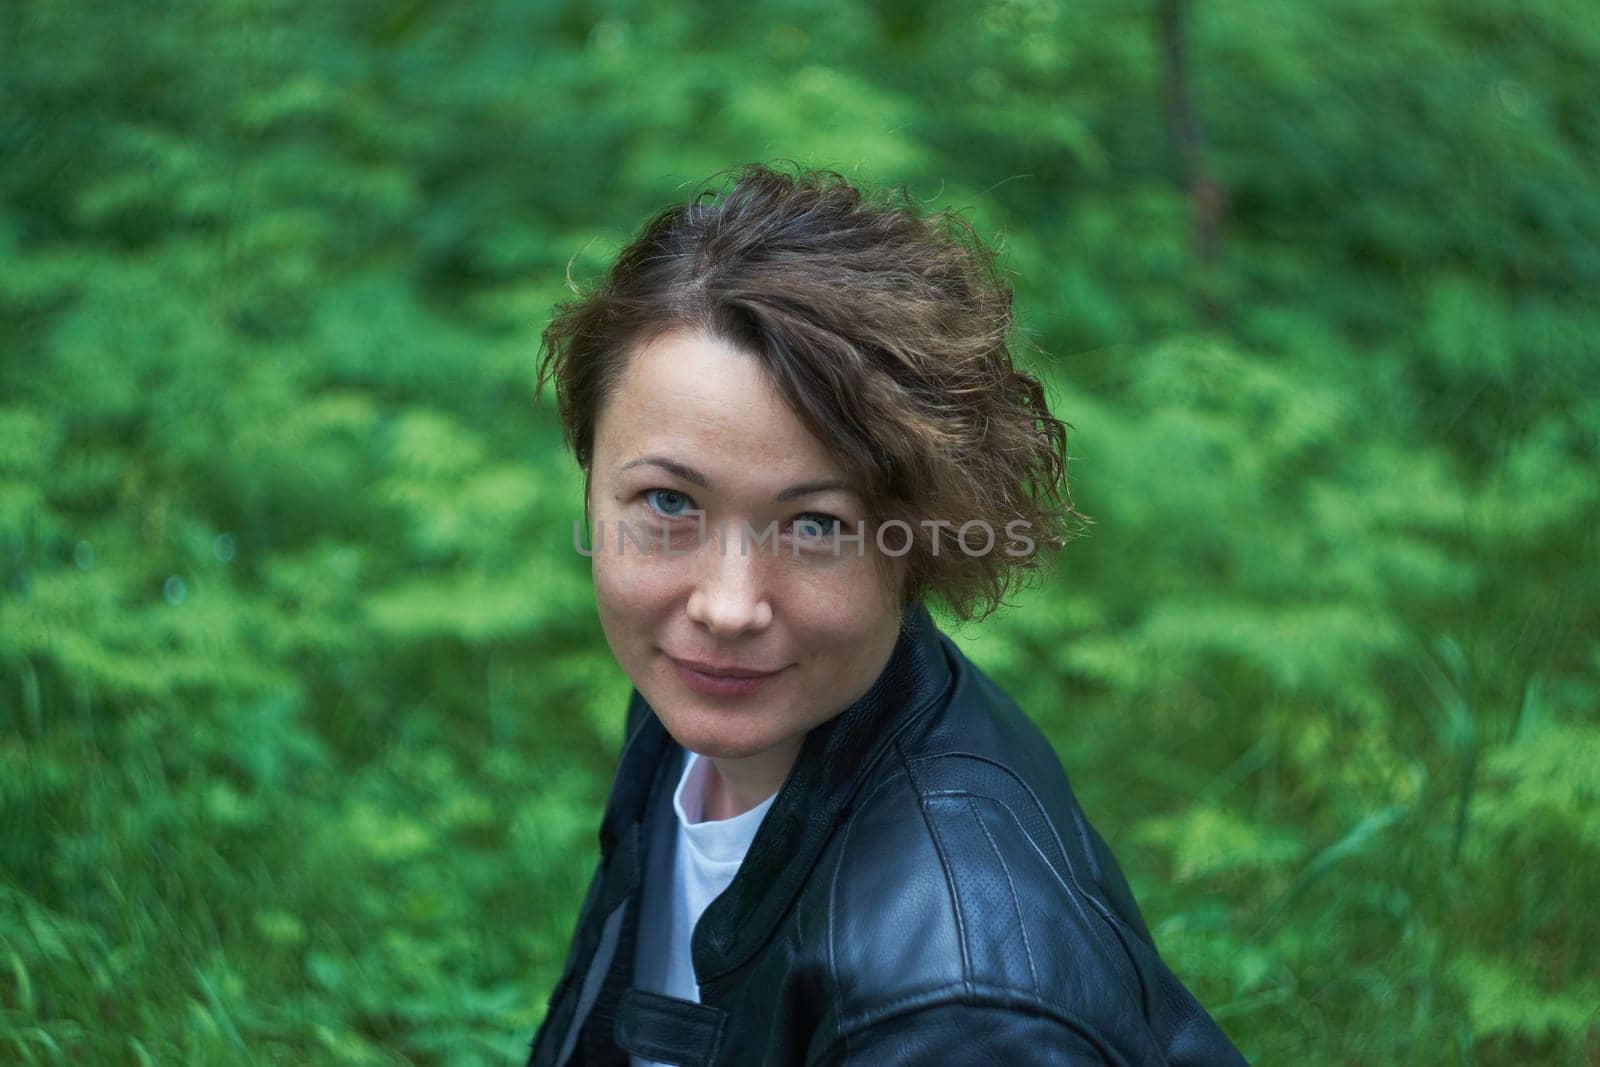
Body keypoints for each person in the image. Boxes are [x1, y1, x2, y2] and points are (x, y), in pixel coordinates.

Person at [527, 164, 1247, 1066]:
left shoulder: (961, 1013)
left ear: (921, 538)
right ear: (590, 479)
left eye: (818, 524)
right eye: (670, 504)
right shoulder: (714, 714)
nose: (725, 606)